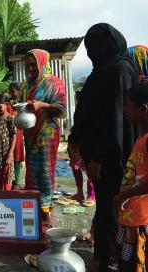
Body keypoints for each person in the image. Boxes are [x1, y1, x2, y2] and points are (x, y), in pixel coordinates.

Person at [73, 23, 139, 271]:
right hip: (104, 155)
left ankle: (111, 259)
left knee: (111, 209)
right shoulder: (107, 68)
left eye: (94, 47)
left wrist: (99, 158)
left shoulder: (117, 70)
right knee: (106, 207)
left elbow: (114, 120)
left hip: (111, 158)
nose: (90, 53)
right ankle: (106, 255)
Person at [18, 49, 66, 226]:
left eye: (33, 65)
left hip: (47, 133)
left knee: (45, 171)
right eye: (27, 65)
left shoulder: (55, 83)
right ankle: (32, 206)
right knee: (31, 170)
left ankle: (46, 211)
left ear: (42, 64)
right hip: (30, 131)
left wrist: (42, 105)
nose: (30, 69)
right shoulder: (26, 85)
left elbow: (62, 110)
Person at [113, 83, 148, 271]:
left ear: (143, 108)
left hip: (141, 220)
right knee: (127, 264)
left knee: (136, 265)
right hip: (131, 217)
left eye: (128, 104)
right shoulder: (141, 137)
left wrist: (124, 195)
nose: (124, 109)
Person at [67, 91, 95, 207]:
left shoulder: (93, 110)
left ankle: (91, 195)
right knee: (75, 167)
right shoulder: (79, 110)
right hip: (75, 143)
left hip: (88, 142)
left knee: (89, 169)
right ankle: (79, 193)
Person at [6, 82, 25, 189]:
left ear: (18, 91)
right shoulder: (8, 104)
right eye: (10, 91)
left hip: (18, 133)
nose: (12, 93)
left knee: (17, 157)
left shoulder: (23, 103)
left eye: (13, 91)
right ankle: (8, 180)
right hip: (8, 134)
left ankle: (16, 182)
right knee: (8, 156)